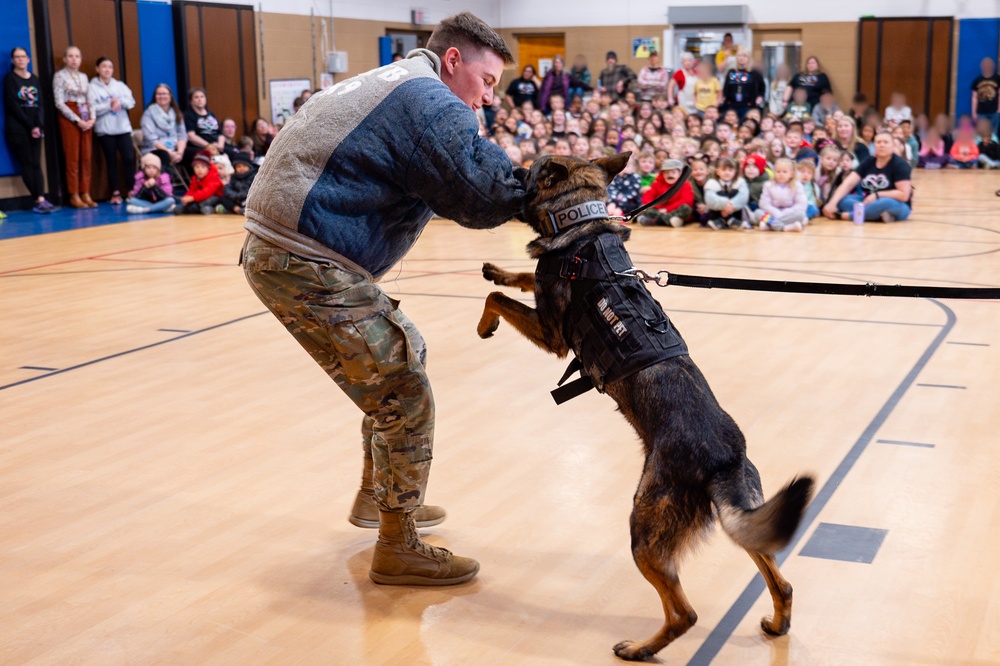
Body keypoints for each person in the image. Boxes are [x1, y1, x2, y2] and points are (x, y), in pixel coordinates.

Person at [241, 12, 526, 587]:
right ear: (452, 60)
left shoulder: (400, 81)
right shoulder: (430, 100)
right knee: (403, 390)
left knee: (405, 352)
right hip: (303, 257)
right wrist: (555, 187)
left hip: (291, 249)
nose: (489, 98)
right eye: (487, 80)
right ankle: (398, 546)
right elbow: (480, 197)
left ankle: (380, 497)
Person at [4, 47, 56, 213]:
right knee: (27, 163)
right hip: (19, 129)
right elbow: (13, 106)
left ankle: (42, 198)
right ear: (13, 61)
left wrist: (39, 126)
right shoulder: (10, 79)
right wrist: (30, 125)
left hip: (35, 128)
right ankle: (38, 200)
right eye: (17, 57)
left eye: (23, 56)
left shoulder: (34, 79)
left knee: (36, 163)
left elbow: (40, 104)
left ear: (28, 59)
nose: (20, 60)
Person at [823, 128, 912, 222]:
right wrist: (832, 203)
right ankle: (878, 216)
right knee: (844, 200)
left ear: (893, 145)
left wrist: (877, 195)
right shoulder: (869, 161)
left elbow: (904, 195)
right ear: (874, 145)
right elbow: (848, 183)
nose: (882, 145)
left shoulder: (900, 165)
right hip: (868, 201)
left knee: (883, 203)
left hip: (897, 205)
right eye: (878, 142)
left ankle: (846, 216)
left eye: (886, 142)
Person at [52, 46, 96, 208]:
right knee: (73, 157)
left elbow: (90, 99)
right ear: (65, 59)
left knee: (86, 157)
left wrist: (92, 118)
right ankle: (74, 193)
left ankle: (86, 192)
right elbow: (59, 102)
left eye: (77, 56)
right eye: (70, 56)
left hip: (86, 116)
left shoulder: (83, 77)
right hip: (69, 117)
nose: (74, 59)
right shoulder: (59, 76)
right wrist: (77, 120)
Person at [88, 57, 135, 204]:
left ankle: (131, 189)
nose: (107, 70)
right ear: (97, 69)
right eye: (104, 66)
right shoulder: (92, 87)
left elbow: (131, 102)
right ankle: (115, 192)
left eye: (110, 67)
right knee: (111, 161)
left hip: (123, 128)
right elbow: (92, 108)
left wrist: (120, 102)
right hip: (105, 130)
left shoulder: (120, 85)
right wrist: (109, 104)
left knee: (129, 158)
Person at [140, 84, 187, 174]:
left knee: (196, 154)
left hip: (175, 148)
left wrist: (179, 153)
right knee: (164, 155)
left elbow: (182, 136)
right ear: (155, 96)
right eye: (159, 94)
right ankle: (166, 185)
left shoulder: (177, 112)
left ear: (170, 96)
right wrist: (169, 153)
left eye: (164, 94)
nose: (162, 96)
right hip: (153, 149)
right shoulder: (148, 113)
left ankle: (197, 185)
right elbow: (151, 139)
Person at [637, 158, 695, 227]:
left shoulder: (686, 185)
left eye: (673, 172)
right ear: (663, 174)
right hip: (660, 211)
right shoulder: (657, 184)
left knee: (686, 208)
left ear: (679, 174)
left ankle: (656, 221)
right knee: (643, 207)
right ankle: (670, 221)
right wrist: (659, 208)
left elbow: (686, 200)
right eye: (667, 173)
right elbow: (646, 197)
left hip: (675, 210)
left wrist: (667, 209)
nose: (670, 175)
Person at [756, 157, 807, 231]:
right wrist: (776, 213)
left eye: (784, 172)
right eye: (778, 171)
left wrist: (784, 213)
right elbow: (764, 203)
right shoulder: (768, 185)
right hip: (773, 213)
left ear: (792, 174)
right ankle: (786, 227)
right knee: (757, 213)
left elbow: (801, 204)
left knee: (801, 215)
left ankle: (770, 226)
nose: (781, 174)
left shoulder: (797, 185)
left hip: (789, 213)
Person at [704, 156, 750, 229]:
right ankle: (720, 221)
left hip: (735, 212)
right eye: (724, 170)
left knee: (735, 193)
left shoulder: (740, 182)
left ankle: (732, 220)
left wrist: (731, 206)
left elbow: (743, 197)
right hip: (717, 213)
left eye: (730, 170)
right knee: (720, 194)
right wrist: (724, 205)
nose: (727, 173)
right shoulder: (711, 183)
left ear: (735, 172)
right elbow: (710, 199)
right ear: (717, 171)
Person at [721, 48, 766, 120]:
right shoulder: (732, 72)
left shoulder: (754, 73)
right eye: (739, 56)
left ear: (749, 58)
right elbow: (726, 89)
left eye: (744, 56)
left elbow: (762, 88)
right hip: (732, 105)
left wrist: (759, 98)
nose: (741, 58)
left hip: (748, 106)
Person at [183, 87, 224, 165]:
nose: (200, 99)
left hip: (216, 145)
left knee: (235, 154)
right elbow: (191, 136)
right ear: (191, 100)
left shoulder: (211, 114)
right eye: (196, 97)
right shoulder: (188, 115)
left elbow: (220, 133)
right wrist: (208, 145)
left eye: (202, 97)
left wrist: (220, 145)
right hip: (200, 146)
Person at [971, 57, 1000, 136]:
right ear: (982, 66)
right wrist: (974, 112)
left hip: (994, 112)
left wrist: (998, 109)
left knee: (994, 134)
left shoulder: (997, 79)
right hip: (981, 112)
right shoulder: (977, 81)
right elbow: (974, 97)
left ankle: (994, 147)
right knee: (981, 133)